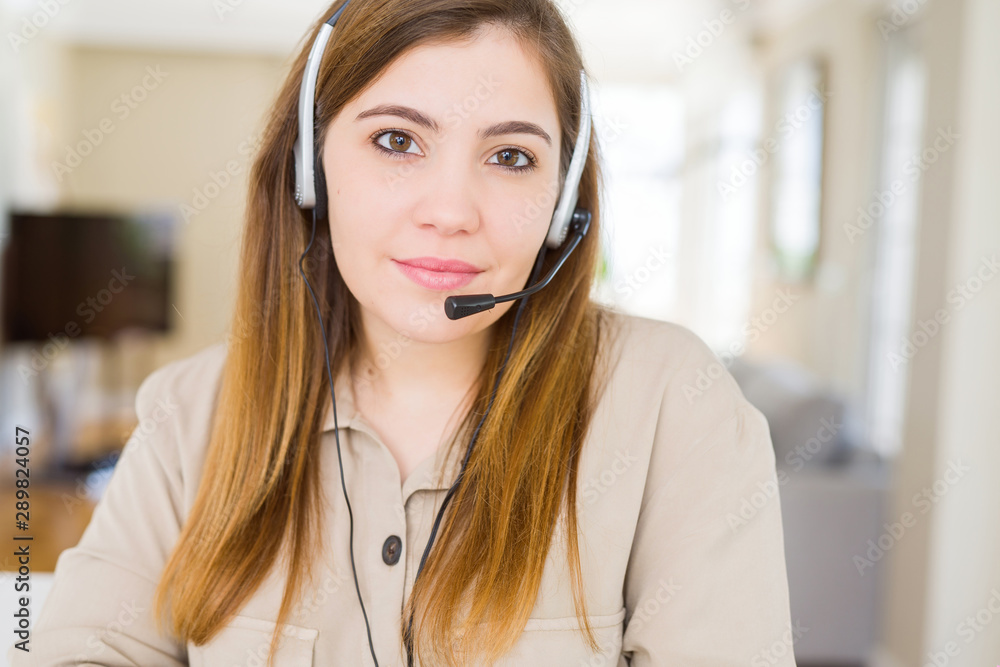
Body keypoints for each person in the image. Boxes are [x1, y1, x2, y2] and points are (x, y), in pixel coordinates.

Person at [10, 0, 796, 665]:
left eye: (511, 156)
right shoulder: (190, 415)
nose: (450, 210)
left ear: (562, 204)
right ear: (310, 168)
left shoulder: (671, 406)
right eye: (397, 140)